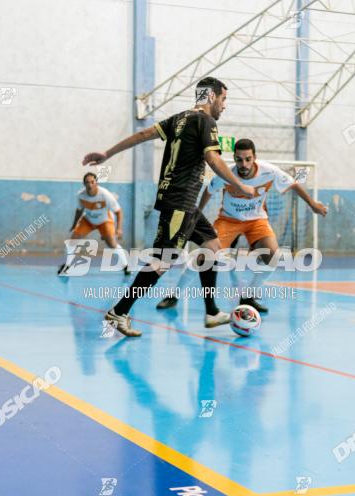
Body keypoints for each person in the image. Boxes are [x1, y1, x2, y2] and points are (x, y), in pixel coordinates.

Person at [82, 76, 253, 337]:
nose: (224, 105)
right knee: (162, 262)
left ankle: (211, 311)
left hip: (184, 203)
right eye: (224, 98)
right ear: (211, 97)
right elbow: (212, 158)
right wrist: (240, 185)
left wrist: (107, 153)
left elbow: (143, 134)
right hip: (180, 202)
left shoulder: (179, 119)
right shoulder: (205, 121)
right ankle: (119, 311)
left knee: (212, 246)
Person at [157, 138, 327, 313]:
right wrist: (195, 215)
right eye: (239, 159)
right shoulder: (226, 174)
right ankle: (174, 295)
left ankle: (248, 296)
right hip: (228, 220)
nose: (243, 164)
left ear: (254, 157)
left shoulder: (269, 172)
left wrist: (312, 203)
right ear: (235, 158)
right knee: (205, 257)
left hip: (256, 221)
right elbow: (209, 190)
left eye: (247, 159)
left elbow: (293, 184)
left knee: (273, 256)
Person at [58, 172, 129, 276]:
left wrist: (119, 229)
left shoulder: (105, 195)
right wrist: (74, 224)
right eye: (87, 182)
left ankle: (126, 266)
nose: (90, 184)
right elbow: (79, 210)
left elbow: (118, 211)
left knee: (112, 244)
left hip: (104, 221)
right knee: (73, 241)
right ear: (84, 184)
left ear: (96, 183)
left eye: (92, 182)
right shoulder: (81, 195)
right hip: (88, 220)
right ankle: (67, 266)